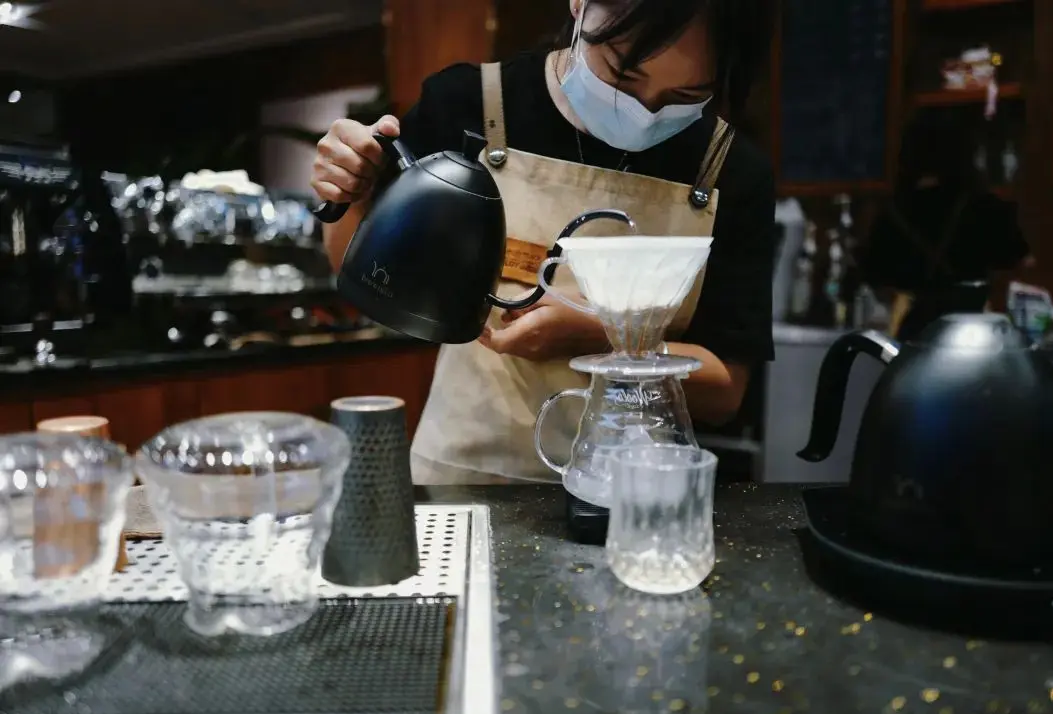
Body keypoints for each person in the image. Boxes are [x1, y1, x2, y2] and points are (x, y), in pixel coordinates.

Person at [312, 0, 778, 485]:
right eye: (622, 76)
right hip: (464, 476)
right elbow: (365, 274)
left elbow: (725, 391)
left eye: (685, 95)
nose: (644, 113)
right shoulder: (469, 104)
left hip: (635, 496)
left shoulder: (731, 172)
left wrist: (596, 336)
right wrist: (351, 190)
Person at [860, 111, 1034, 342]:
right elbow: (1024, 263)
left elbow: (873, 277)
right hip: (975, 332)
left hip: (915, 333)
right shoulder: (985, 207)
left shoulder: (891, 214)